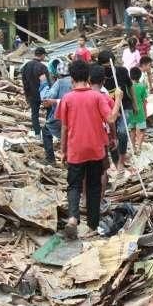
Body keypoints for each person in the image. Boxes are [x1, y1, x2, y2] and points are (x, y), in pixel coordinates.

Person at [56, 60, 122, 239]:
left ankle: (73, 219)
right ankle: (92, 225)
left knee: (74, 185)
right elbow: (111, 119)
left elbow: (64, 127)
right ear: (88, 77)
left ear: (72, 78)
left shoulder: (67, 99)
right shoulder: (97, 97)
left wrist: (63, 151)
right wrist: (118, 99)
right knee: (93, 186)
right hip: (95, 150)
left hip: (75, 150)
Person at [98, 50, 136, 175]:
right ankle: (115, 161)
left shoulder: (122, 71)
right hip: (108, 110)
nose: (108, 69)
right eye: (105, 67)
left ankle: (121, 159)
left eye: (110, 66)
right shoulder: (99, 76)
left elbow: (130, 87)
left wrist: (135, 104)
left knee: (122, 132)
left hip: (124, 106)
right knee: (111, 137)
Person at [89, 64, 115, 200]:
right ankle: (100, 198)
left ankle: (85, 199)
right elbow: (112, 120)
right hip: (101, 138)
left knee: (86, 170)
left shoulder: (80, 96)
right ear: (103, 81)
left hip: (84, 139)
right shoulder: (105, 98)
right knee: (103, 170)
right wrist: (114, 137)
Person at [40, 61, 73, 165]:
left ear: (58, 73)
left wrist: (44, 85)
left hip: (60, 116)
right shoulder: (75, 81)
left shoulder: (60, 82)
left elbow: (47, 99)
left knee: (46, 131)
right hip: (75, 117)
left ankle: (51, 159)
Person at [22, 47, 50, 139]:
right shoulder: (42, 67)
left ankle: (37, 135)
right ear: (42, 55)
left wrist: (27, 95)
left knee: (34, 114)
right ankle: (48, 133)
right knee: (49, 113)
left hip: (31, 95)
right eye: (44, 55)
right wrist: (47, 95)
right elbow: (45, 83)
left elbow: (24, 82)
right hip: (42, 95)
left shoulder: (26, 66)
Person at [128, 67, 148, 155]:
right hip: (140, 112)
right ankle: (139, 147)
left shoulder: (127, 87)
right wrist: (145, 112)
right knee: (142, 130)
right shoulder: (142, 87)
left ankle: (133, 147)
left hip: (130, 112)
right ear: (140, 76)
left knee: (132, 130)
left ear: (130, 76)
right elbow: (144, 101)